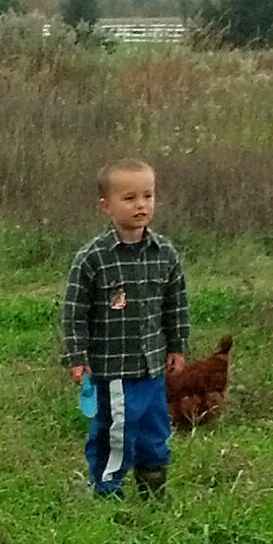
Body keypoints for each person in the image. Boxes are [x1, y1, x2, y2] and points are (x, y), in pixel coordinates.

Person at [61, 158, 190, 499]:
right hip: (114, 369)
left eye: (148, 196)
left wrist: (177, 346)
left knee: (155, 431)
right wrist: (77, 356)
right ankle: (107, 493)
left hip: (153, 367)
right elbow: (74, 312)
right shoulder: (93, 258)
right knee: (115, 432)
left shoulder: (165, 253)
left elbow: (175, 304)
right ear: (106, 205)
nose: (140, 205)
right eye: (129, 198)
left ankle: (154, 491)